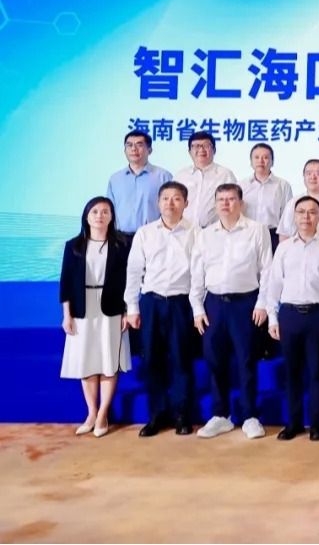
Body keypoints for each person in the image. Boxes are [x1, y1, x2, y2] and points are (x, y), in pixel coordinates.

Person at [190, 184, 273, 439]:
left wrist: (262, 303)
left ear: (241, 203)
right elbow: (197, 273)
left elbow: (267, 270)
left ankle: (250, 416)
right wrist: (197, 308)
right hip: (214, 304)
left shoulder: (257, 230)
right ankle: (220, 415)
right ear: (215, 204)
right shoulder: (205, 234)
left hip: (246, 304)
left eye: (231, 199)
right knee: (215, 360)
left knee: (246, 360)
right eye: (221, 200)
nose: (226, 204)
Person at [264, 197, 319, 442]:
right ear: (294, 216)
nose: (306, 217)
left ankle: (317, 425)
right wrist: (272, 317)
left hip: (318, 316)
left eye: (311, 212)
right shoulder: (284, 248)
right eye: (301, 212)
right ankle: (294, 423)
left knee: (316, 372)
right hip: (289, 315)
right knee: (292, 372)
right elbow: (274, 284)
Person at [124, 182, 197, 437]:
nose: (170, 203)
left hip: (181, 303)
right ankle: (156, 415)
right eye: (165, 198)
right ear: (158, 202)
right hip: (151, 303)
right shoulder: (145, 233)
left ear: (186, 203)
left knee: (181, 360)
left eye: (176, 198)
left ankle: (182, 415)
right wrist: (132, 307)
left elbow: (200, 272)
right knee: (152, 360)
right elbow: (134, 271)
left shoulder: (196, 232)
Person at [59, 196, 131, 438]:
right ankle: (91, 412)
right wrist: (67, 315)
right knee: (87, 361)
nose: (100, 216)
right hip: (82, 307)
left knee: (109, 361)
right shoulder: (74, 246)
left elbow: (128, 281)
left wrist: (126, 310)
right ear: (86, 216)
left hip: (112, 307)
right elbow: (66, 283)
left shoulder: (122, 244)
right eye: (95, 212)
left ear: (112, 216)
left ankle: (103, 414)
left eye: (105, 211)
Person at [106, 129, 172, 240]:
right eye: (129, 145)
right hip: (120, 238)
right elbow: (109, 210)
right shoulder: (115, 179)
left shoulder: (164, 177)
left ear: (150, 150)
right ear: (124, 150)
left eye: (139, 145)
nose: (133, 149)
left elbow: (170, 209)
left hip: (153, 237)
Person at [173, 131, 237, 229]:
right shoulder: (181, 176)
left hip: (214, 232)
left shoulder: (225, 174)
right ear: (189, 152)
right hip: (183, 231)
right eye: (196, 146)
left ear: (214, 150)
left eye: (206, 146)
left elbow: (234, 205)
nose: (201, 149)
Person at [240, 143, 293, 251]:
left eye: (265, 157)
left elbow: (287, 216)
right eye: (256, 157)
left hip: (272, 236)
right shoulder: (241, 185)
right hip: (247, 235)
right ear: (251, 162)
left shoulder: (283, 185)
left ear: (272, 162)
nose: (261, 161)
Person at [278, 159, 319, 244]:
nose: (313, 177)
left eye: (318, 173)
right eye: (308, 173)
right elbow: (284, 234)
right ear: (304, 177)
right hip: (299, 251)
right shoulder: (293, 203)